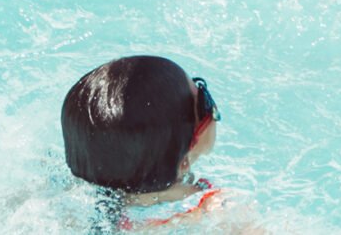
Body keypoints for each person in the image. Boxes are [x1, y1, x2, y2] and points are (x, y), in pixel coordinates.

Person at [61, 56, 227, 229]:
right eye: (203, 102)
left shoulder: (70, 202)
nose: (211, 106)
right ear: (183, 162)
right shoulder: (214, 205)